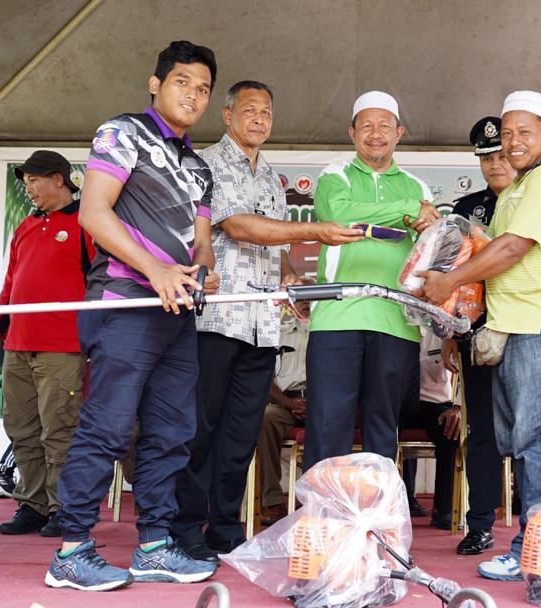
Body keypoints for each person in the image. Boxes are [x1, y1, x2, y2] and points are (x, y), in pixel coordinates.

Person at [44, 40, 221, 592]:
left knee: (172, 432)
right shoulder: (122, 133)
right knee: (107, 427)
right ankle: (71, 552)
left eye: (202, 88)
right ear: (155, 84)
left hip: (177, 312)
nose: (193, 95)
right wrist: (157, 269)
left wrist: (202, 270)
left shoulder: (199, 167)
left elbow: (201, 242)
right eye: (182, 82)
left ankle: (154, 547)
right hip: (125, 303)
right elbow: (94, 214)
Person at [170, 81, 362, 562]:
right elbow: (237, 226)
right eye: (250, 110)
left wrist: (290, 275)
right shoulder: (206, 164)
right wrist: (317, 230)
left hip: (261, 324)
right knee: (201, 428)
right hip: (216, 319)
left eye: (266, 113)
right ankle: (186, 525)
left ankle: (225, 525)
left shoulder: (273, 178)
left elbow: (275, 249)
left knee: (242, 431)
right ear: (228, 115)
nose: (259, 119)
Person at [418, 91, 541, 581]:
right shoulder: (523, 184)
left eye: (523, 132)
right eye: (507, 133)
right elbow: (486, 248)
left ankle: (539, 551)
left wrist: (447, 282)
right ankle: (537, 547)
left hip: (540, 326)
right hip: (510, 328)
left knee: (538, 442)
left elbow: (511, 248)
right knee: (517, 440)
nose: (512, 142)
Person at [303, 91, 439, 470]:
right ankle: (323, 507)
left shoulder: (417, 187)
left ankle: (378, 507)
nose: (375, 134)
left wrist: (415, 215)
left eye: (384, 126)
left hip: (396, 321)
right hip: (337, 318)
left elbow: (429, 245)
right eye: (366, 126)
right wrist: (406, 211)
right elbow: (338, 214)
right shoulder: (335, 175)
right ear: (352, 132)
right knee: (328, 428)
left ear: (399, 132)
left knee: (382, 432)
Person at [0, 150, 92, 538]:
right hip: (18, 343)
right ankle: (33, 505)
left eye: (33, 180)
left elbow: (102, 284)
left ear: (58, 179)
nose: (28, 188)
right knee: (21, 428)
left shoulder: (87, 222)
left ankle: (65, 508)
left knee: (59, 429)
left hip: (63, 344)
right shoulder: (25, 226)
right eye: (25, 181)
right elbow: (10, 283)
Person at [440, 116, 516, 556]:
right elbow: (453, 273)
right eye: (486, 158)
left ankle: (537, 526)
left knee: (528, 430)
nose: (494, 164)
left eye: (502, 155)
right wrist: (450, 333)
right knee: (482, 429)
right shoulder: (466, 209)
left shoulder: (533, 199)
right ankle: (481, 523)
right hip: (477, 331)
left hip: (526, 329)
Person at [400, 328, 461, 530]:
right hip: (399, 403)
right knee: (384, 428)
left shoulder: (443, 332)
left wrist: (458, 406)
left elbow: (465, 373)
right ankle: (401, 499)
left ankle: (444, 509)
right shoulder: (398, 327)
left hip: (434, 403)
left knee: (450, 431)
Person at [256, 311, 310, 527]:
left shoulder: (328, 330)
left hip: (323, 403)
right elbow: (264, 378)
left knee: (332, 421)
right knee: (266, 418)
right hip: (285, 402)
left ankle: (317, 498)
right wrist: (288, 403)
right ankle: (271, 501)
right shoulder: (278, 333)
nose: (305, 302)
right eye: (300, 297)